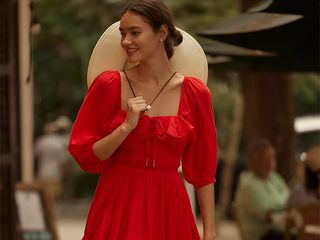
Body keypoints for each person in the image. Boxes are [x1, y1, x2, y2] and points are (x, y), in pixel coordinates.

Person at [68, 1, 218, 239]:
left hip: (170, 208)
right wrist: (126, 127)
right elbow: (88, 155)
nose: (126, 41)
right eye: (123, 33)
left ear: (161, 33)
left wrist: (209, 231)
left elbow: (204, 170)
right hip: (118, 204)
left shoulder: (195, 94)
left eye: (135, 32)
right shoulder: (109, 85)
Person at [234, 139, 289, 240]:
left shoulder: (275, 177)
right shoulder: (249, 184)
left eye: (272, 158)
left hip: (281, 232)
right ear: (251, 162)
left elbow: (290, 200)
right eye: (263, 158)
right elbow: (269, 217)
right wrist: (291, 213)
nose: (269, 163)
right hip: (264, 236)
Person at [35, 121, 67, 200]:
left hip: (43, 171)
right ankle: (53, 209)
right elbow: (62, 159)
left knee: (44, 194)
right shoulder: (59, 142)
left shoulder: (41, 141)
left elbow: (35, 155)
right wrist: (63, 172)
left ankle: (47, 210)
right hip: (55, 172)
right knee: (54, 194)